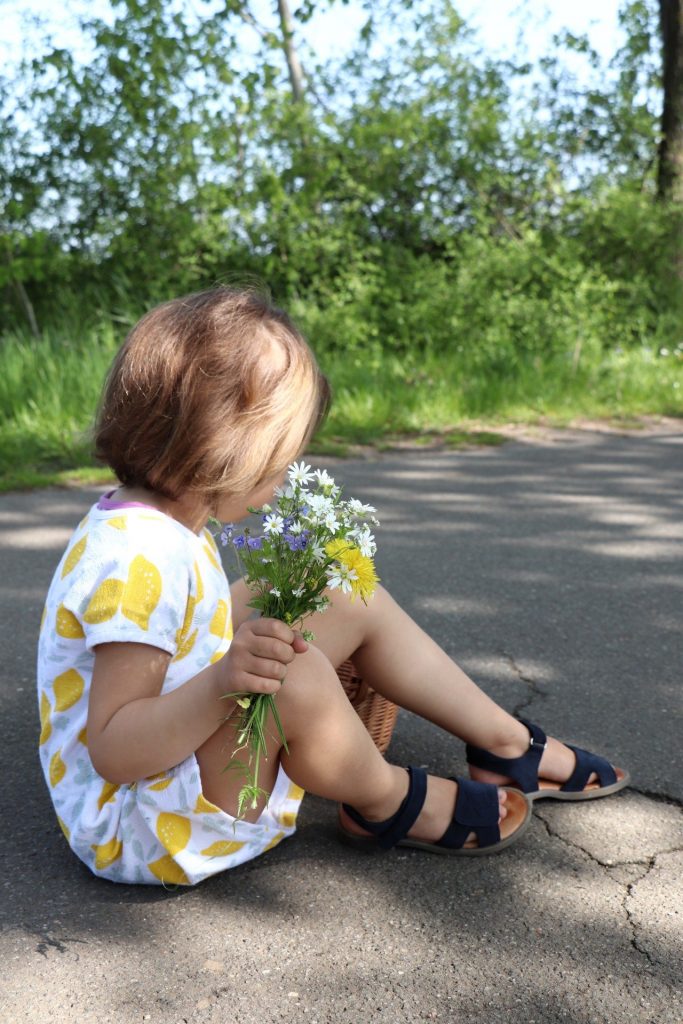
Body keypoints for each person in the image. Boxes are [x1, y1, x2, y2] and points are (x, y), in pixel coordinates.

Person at [37, 287, 629, 886]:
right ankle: (389, 799)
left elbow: (183, 635)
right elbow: (114, 750)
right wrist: (224, 682)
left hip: (173, 764)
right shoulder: (140, 559)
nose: (290, 471)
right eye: (282, 454)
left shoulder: (156, 525)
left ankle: (503, 743)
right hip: (145, 825)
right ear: (226, 446)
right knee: (294, 671)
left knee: (330, 580)